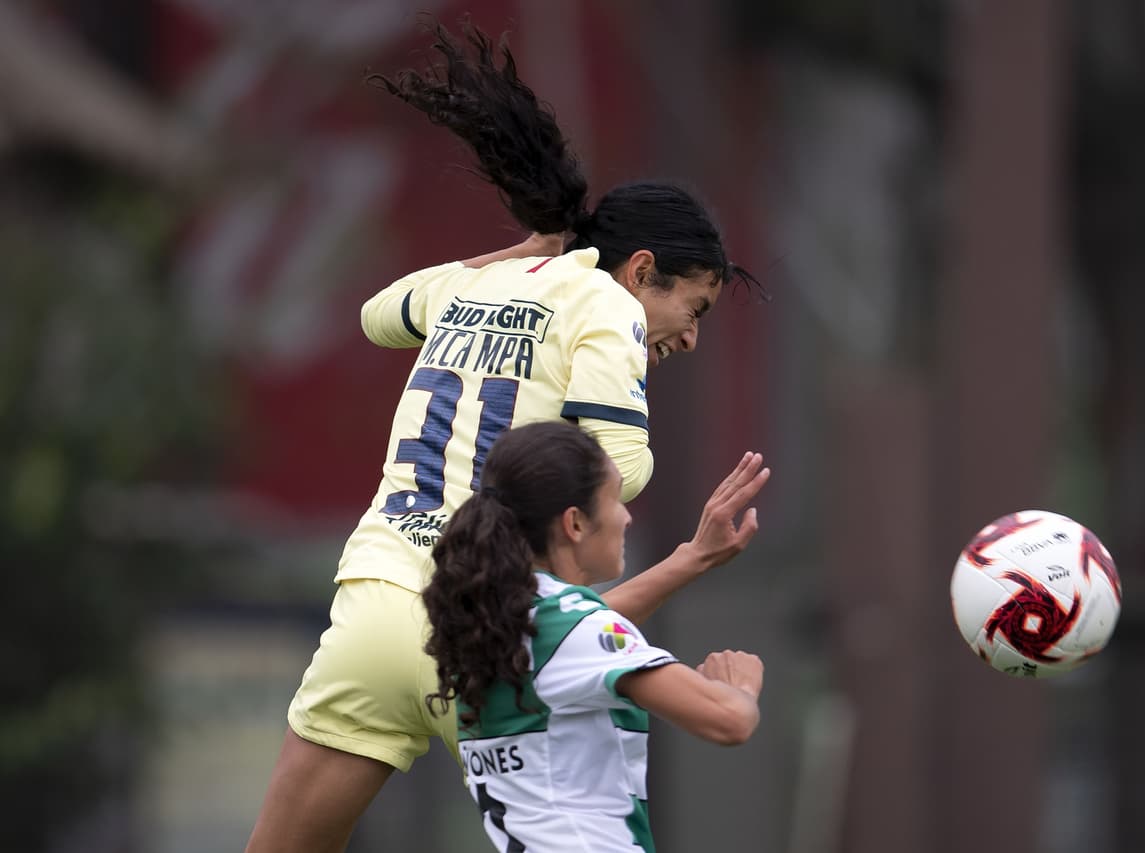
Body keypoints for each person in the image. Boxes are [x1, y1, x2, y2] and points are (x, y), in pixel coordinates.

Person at [246, 20, 763, 853]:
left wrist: (517, 257)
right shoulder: (607, 305)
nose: (691, 336)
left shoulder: (478, 287)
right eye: (692, 308)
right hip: (482, 623)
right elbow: (618, 470)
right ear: (640, 271)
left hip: (372, 604)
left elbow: (378, 315)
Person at [425, 420, 767, 853]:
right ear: (575, 523)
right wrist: (739, 688)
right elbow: (729, 720)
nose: (626, 516)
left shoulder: (496, 623)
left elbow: (582, 626)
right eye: (616, 498)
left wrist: (695, 556)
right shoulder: (566, 630)